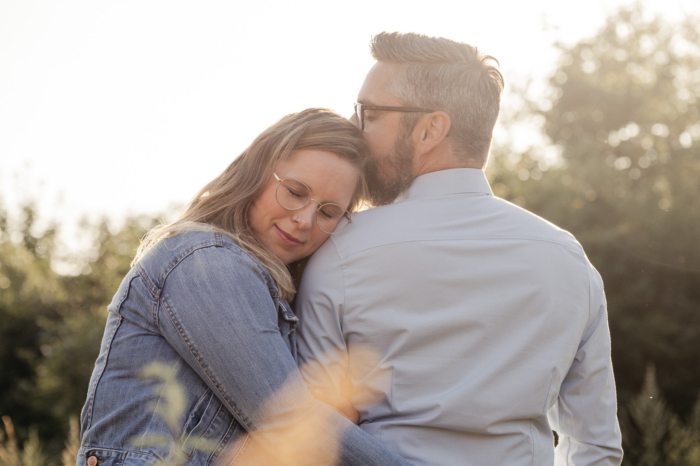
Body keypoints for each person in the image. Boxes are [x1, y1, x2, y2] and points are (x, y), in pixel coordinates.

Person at [296, 33, 624, 466]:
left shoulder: (338, 251)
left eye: (369, 114)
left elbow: (318, 435)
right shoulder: (567, 259)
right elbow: (596, 445)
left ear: (431, 129)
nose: (353, 130)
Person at [76, 109, 415, 466]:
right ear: (256, 172)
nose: (304, 220)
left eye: (328, 212)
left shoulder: (263, 284)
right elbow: (289, 419)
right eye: (295, 191)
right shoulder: (207, 265)